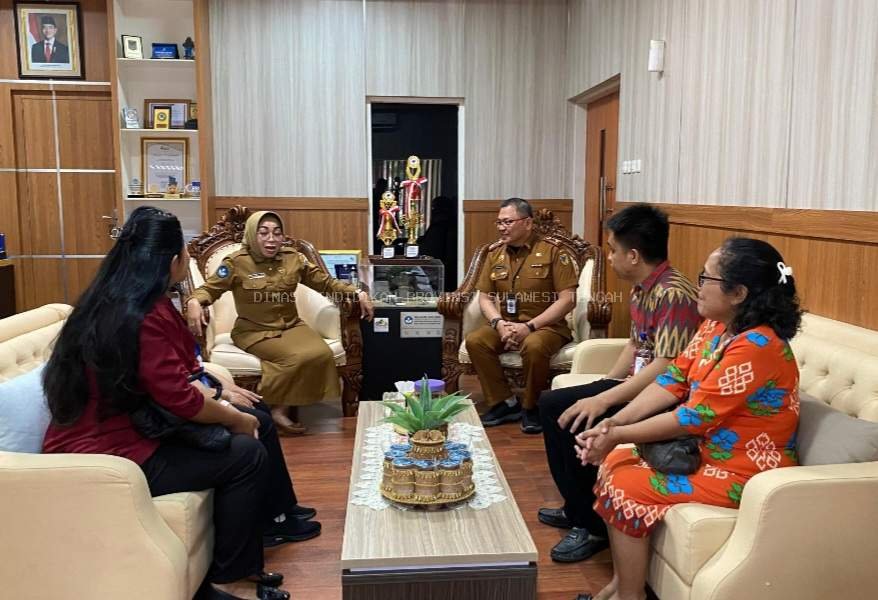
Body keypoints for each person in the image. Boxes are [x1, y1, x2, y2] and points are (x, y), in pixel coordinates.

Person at [42, 207, 319, 600]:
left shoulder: (122, 299)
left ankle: (276, 516)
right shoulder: (140, 314)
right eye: (186, 255)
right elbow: (181, 398)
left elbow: (181, 372)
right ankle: (229, 580)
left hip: (138, 427)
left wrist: (222, 395)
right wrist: (232, 418)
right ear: (172, 261)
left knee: (255, 415)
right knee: (247, 453)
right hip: (112, 452)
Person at [574, 237, 802, 600]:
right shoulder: (716, 326)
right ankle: (621, 585)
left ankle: (630, 595)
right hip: (704, 452)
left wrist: (616, 434)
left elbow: (692, 418)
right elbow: (673, 380)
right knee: (616, 462)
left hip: (745, 470)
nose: (698, 286)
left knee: (626, 482)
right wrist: (613, 424)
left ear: (738, 293)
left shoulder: (758, 347)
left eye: (705, 278)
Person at [536, 203, 701, 563]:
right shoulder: (643, 288)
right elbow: (634, 345)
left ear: (634, 255)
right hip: (640, 386)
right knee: (554, 403)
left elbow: (667, 367)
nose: (609, 258)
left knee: (571, 414)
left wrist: (605, 398)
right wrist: (605, 384)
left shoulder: (674, 294)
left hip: (666, 398)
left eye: (612, 250)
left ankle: (592, 526)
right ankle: (576, 507)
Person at [186, 211, 374, 434]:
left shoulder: (293, 258)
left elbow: (325, 283)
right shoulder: (236, 262)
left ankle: (282, 406)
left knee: (321, 353)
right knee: (295, 358)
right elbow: (209, 289)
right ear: (252, 235)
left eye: (277, 233)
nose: (271, 239)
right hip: (254, 331)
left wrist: (356, 292)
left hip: (292, 325)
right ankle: (274, 410)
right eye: (263, 233)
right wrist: (194, 301)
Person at [465, 197, 579, 434]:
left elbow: (568, 299)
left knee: (534, 345)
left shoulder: (553, 251)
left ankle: (532, 406)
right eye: (499, 222)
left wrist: (530, 327)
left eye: (507, 222)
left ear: (527, 223)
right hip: (506, 324)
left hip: (546, 327)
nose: (501, 227)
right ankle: (504, 403)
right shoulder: (494, 254)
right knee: (476, 341)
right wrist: (498, 323)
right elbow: (485, 298)